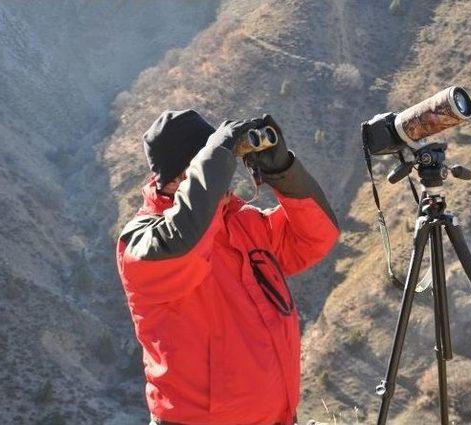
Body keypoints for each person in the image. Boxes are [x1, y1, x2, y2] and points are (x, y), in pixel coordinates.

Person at [115, 110, 339, 425]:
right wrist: (216, 156)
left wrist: (283, 171)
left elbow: (317, 237)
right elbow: (185, 241)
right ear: (187, 175)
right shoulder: (141, 242)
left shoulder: (242, 223)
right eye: (218, 166)